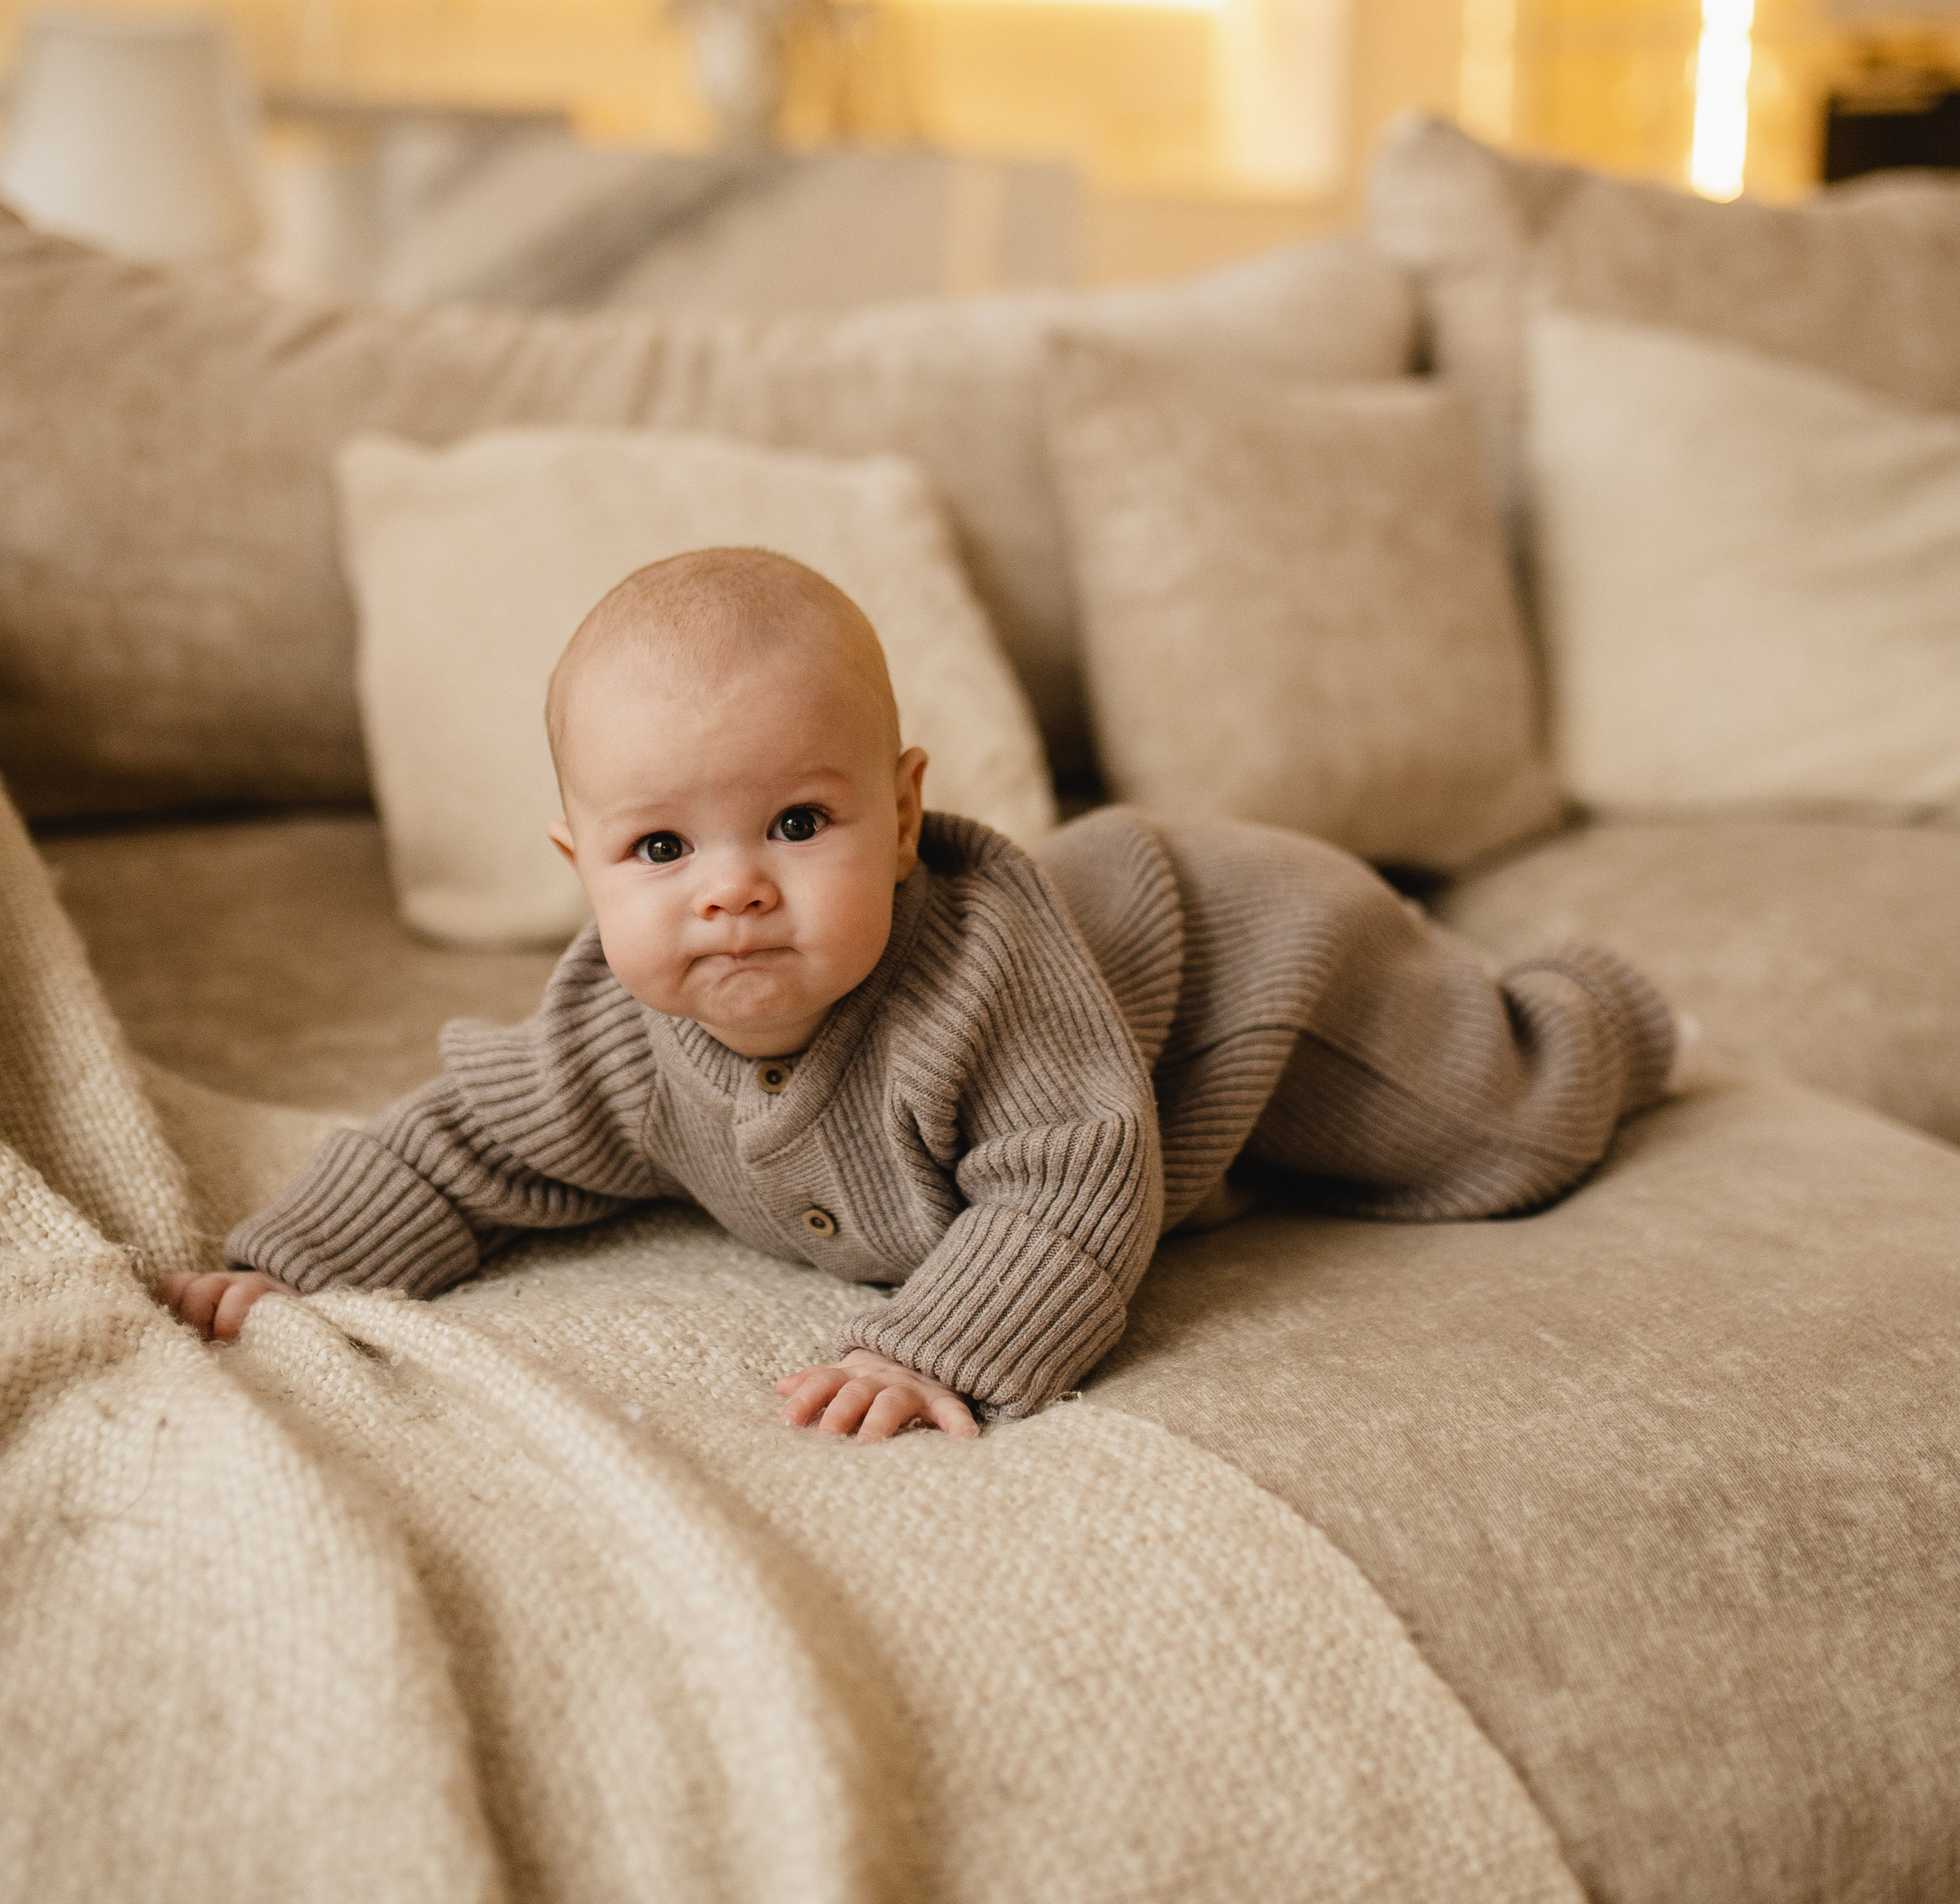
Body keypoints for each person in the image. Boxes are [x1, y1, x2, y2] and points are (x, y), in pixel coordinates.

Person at [155, 548, 1689, 1439]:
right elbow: (461, 1145)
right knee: (1259, 1161)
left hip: (1251, 967)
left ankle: (1601, 1009)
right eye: (660, 845)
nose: (731, 885)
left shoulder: (983, 991)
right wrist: (292, 1260)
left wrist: (929, 1346)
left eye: (798, 825)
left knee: (1496, 1130)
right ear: (583, 866)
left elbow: (1067, 1192)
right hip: (1152, 1023)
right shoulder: (611, 1037)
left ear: (900, 816)